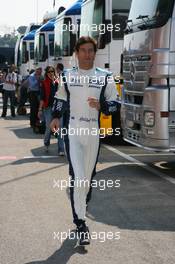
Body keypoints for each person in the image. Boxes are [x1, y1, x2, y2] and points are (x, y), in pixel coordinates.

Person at [50, 36, 118, 246]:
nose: (88, 54)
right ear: (77, 53)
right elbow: (60, 99)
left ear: (94, 54)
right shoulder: (67, 76)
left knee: (87, 179)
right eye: (84, 50)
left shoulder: (105, 77)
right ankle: (80, 223)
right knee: (78, 176)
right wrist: (54, 116)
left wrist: (102, 106)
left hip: (93, 132)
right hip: (73, 130)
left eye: (91, 51)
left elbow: (116, 104)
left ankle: (81, 205)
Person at [38, 66, 59, 152]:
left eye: (52, 71)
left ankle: (61, 147)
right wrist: (39, 109)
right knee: (48, 126)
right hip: (48, 108)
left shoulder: (58, 82)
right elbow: (42, 98)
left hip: (58, 107)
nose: (51, 73)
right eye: (49, 72)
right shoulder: (44, 83)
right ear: (46, 73)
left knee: (59, 127)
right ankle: (46, 143)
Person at [27, 67, 42, 132]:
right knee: (33, 108)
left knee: (38, 108)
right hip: (33, 93)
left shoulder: (40, 75)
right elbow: (32, 85)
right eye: (39, 71)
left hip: (39, 93)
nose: (40, 72)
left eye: (41, 71)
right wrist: (37, 80)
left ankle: (37, 122)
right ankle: (32, 123)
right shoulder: (31, 76)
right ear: (36, 70)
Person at [55, 63, 65, 156]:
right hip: (68, 106)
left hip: (61, 105)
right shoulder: (64, 76)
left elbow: (58, 93)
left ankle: (61, 149)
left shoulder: (60, 77)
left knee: (61, 128)